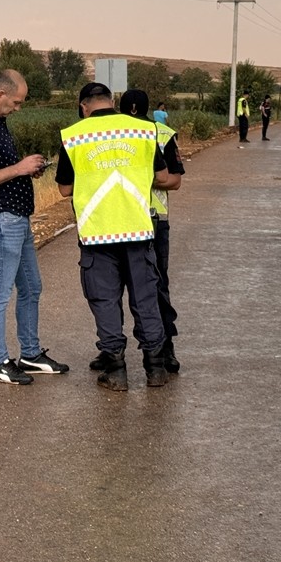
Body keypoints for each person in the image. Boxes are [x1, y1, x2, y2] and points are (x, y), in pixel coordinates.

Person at [56, 82, 171, 391]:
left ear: (84, 107)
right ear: (111, 101)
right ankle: (155, 369)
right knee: (145, 299)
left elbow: (65, 189)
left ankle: (116, 371)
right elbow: (162, 176)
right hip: (138, 230)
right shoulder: (143, 131)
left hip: (98, 234)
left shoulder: (73, 136)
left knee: (105, 301)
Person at [0, 69, 68, 385]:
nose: (18, 108)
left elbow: (0, 170)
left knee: (32, 287)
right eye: (16, 102)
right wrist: (19, 168)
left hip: (16, 220)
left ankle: (30, 354)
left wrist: (25, 170)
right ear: (0, 95)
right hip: (0, 221)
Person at [119, 90, 185, 373]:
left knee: (156, 285)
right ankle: (111, 351)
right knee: (113, 288)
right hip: (119, 218)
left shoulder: (162, 135)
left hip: (153, 221)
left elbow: (175, 180)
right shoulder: (114, 134)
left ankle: (165, 347)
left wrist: (140, 178)